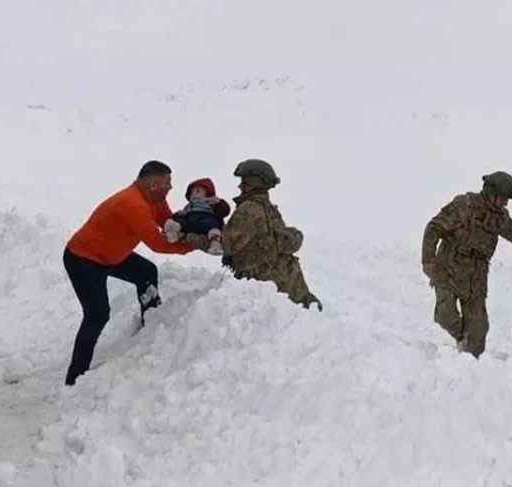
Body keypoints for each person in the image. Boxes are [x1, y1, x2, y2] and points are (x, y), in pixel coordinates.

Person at [62, 160, 196, 386]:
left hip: (111, 255)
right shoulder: (133, 204)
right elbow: (157, 243)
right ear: (153, 184)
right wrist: (193, 245)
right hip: (83, 260)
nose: (170, 188)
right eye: (167, 183)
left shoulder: (155, 199)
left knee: (145, 271)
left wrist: (193, 228)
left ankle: (151, 325)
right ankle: (75, 377)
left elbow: (167, 222)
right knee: (97, 314)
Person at [420, 171, 512, 357]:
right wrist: (427, 260)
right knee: (445, 315)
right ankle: (462, 339)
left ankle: (473, 369)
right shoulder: (464, 205)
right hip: (449, 267)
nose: (505, 203)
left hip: (476, 274)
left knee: (478, 330)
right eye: (503, 198)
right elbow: (433, 228)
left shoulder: (500, 217)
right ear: (490, 193)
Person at [221, 158, 322, 310]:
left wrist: (193, 236)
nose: (240, 186)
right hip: (288, 283)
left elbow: (226, 245)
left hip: (261, 289)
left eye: (245, 182)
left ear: (254, 184)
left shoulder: (248, 210)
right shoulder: (268, 208)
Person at [164, 177, 230, 255]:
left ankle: (215, 244)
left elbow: (224, 212)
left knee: (213, 227)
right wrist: (179, 214)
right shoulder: (190, 205)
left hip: (207, 220)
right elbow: (183, 214)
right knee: (181, 222)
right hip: (191, 222)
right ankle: (173, 232)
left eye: (198, 191)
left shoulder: (211, 202)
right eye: (192, 193)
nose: (194, 194)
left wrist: (218, 203)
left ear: (207, 193)